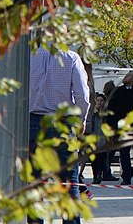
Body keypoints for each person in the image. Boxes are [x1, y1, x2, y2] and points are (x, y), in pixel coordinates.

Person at [29, 42, 91, 196]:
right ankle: (71, 219)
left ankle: (36, 219)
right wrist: (81, 120)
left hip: (34, 122)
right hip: (63, 123)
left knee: (35, 182)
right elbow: (82, 95)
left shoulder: (29, 58)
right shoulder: (72, 58)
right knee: (70, 181)